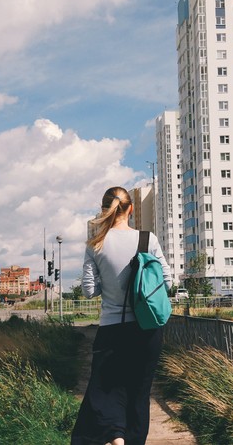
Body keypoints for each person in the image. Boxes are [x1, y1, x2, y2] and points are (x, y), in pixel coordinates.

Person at [71, 186, 172, 445]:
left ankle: (116, 435)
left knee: (107, 388)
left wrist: (110, 281)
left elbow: (89, 291)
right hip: (147, 329)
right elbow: (168, 282)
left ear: (104, 210)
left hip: (112, 330)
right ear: (131, 209)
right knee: (140, 391)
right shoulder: (147, 240)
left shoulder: (95, 244)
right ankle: (132, 439)